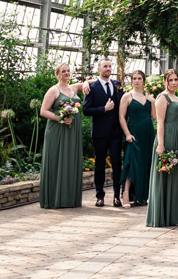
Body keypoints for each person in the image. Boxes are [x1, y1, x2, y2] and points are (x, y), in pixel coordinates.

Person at [146, 70, 178, 227]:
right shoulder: (162, 97)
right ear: (165, 82)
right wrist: (161, 144)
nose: (174, 82)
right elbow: (160, 122)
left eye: (176, 79)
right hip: (168, 139)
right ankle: (170, 215)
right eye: (171, 80)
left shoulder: (177, 98)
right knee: (171, 175)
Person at [38, 63, 91, 209]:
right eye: (63, 71)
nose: (67, 73)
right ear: (57, 74)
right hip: (57, 130)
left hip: (72, 131)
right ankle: (54, 199)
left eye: (68, 71)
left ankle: (69, 199)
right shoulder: (53, 90)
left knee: (70, 162)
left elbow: (93, 82)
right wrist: (60, 118)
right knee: (56, 161)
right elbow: (43, 111)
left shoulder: (72, 88)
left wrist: (86, 82)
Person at [82, 58, 124, 207]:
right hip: (100, 133)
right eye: (105, 66)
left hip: (116, 132)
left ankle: (117, 197)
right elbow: (85, 110)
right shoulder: (91, 87)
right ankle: (100, 196)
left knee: (116, 163)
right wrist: (103, 109)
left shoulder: (117, 85)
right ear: (98, 69)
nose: (108, 68)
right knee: (99, 164)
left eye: (110, 66)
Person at [118, 70, 156, 207]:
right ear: (131, 80)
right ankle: (126, 193)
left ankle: (142, 196)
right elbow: (121, 117)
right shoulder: (127, 96)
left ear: (143, 80)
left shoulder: (148, 96)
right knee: (131, 162)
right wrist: (127, 133)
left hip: (148, 134)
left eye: (139, 78)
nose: (137, 81)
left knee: (146, 164)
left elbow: (153, 116)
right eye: (134, 78)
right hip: (134, 133)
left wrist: (152, 102)